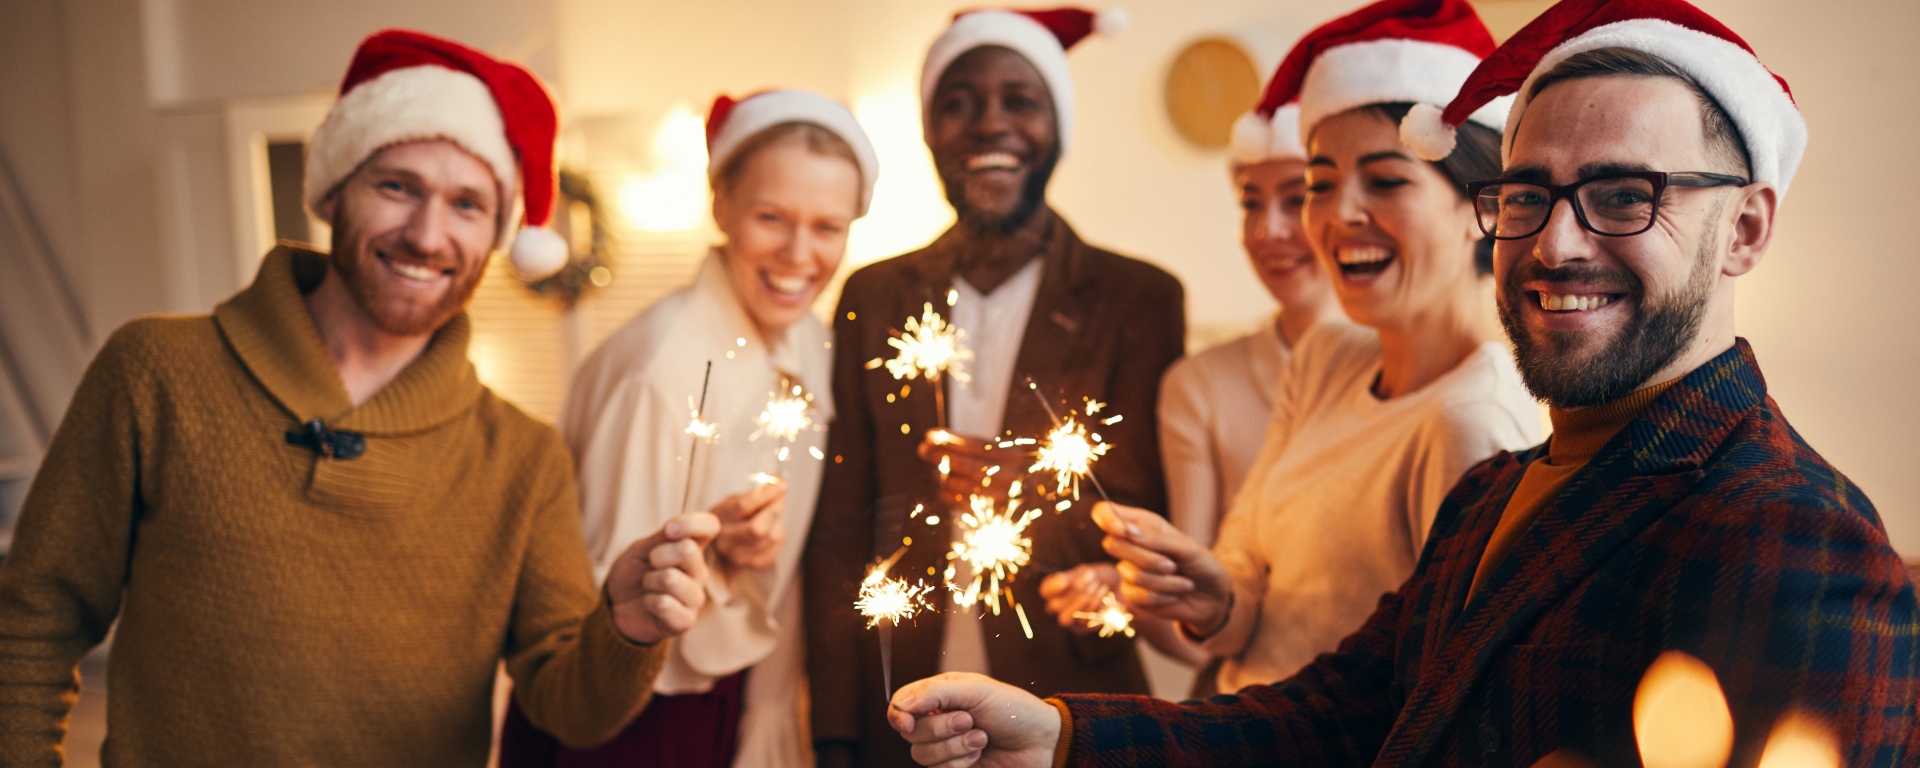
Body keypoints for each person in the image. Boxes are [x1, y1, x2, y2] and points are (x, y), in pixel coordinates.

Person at [886, 0, 1920, 764]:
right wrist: (1063, 737)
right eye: (1527, 195)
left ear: (1744, 228)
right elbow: (1340, 714)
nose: (1557, 243)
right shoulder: (1493, 494)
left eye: (1623, 195)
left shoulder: (1792, 537)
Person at [0, 30, 717, 766]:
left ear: (499, 234)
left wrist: (625, 628)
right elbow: (31, 622)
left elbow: (568, 703)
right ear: (336, 189)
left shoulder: (522, 458)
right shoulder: (155, 371)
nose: (427, 235)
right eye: (397, 186)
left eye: (468, 204)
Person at [1049, 0, 1541, 700]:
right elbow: (1246, 563)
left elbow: (1443, 698)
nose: (1339, 214)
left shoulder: (1472, 424)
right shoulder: (1327, 359)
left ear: (1483, 207)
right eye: (1322, 183)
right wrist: (1215, 598)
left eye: (1386, 179)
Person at [801, 7, 1185, 767]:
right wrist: (837, 735)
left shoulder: (1136, 297)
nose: (989, 125)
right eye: (959, 103)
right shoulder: (871, 297)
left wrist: (1032, 493)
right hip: (898, 701)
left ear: (1056, 129)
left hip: (1070, 703)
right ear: (929, 131)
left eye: (1020, 100)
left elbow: (1151, 506)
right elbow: (840, 523)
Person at [500, 90, 878, 768]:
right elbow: (591, 612)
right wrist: (706, 553)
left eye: (828, 227)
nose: (799, 254)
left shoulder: (812, 345)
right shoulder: (661, 371)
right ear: (721, 204)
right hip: (632, 714)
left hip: (731, 694)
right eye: (771, 217)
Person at [1036, 96, 1349, 692]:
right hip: (1246, 710)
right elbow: (1195, 614)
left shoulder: (1421, 382)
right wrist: (1132, 586)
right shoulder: (1199, 386)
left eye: (1298, 197)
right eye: (1250, 204)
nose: (1268, 230)